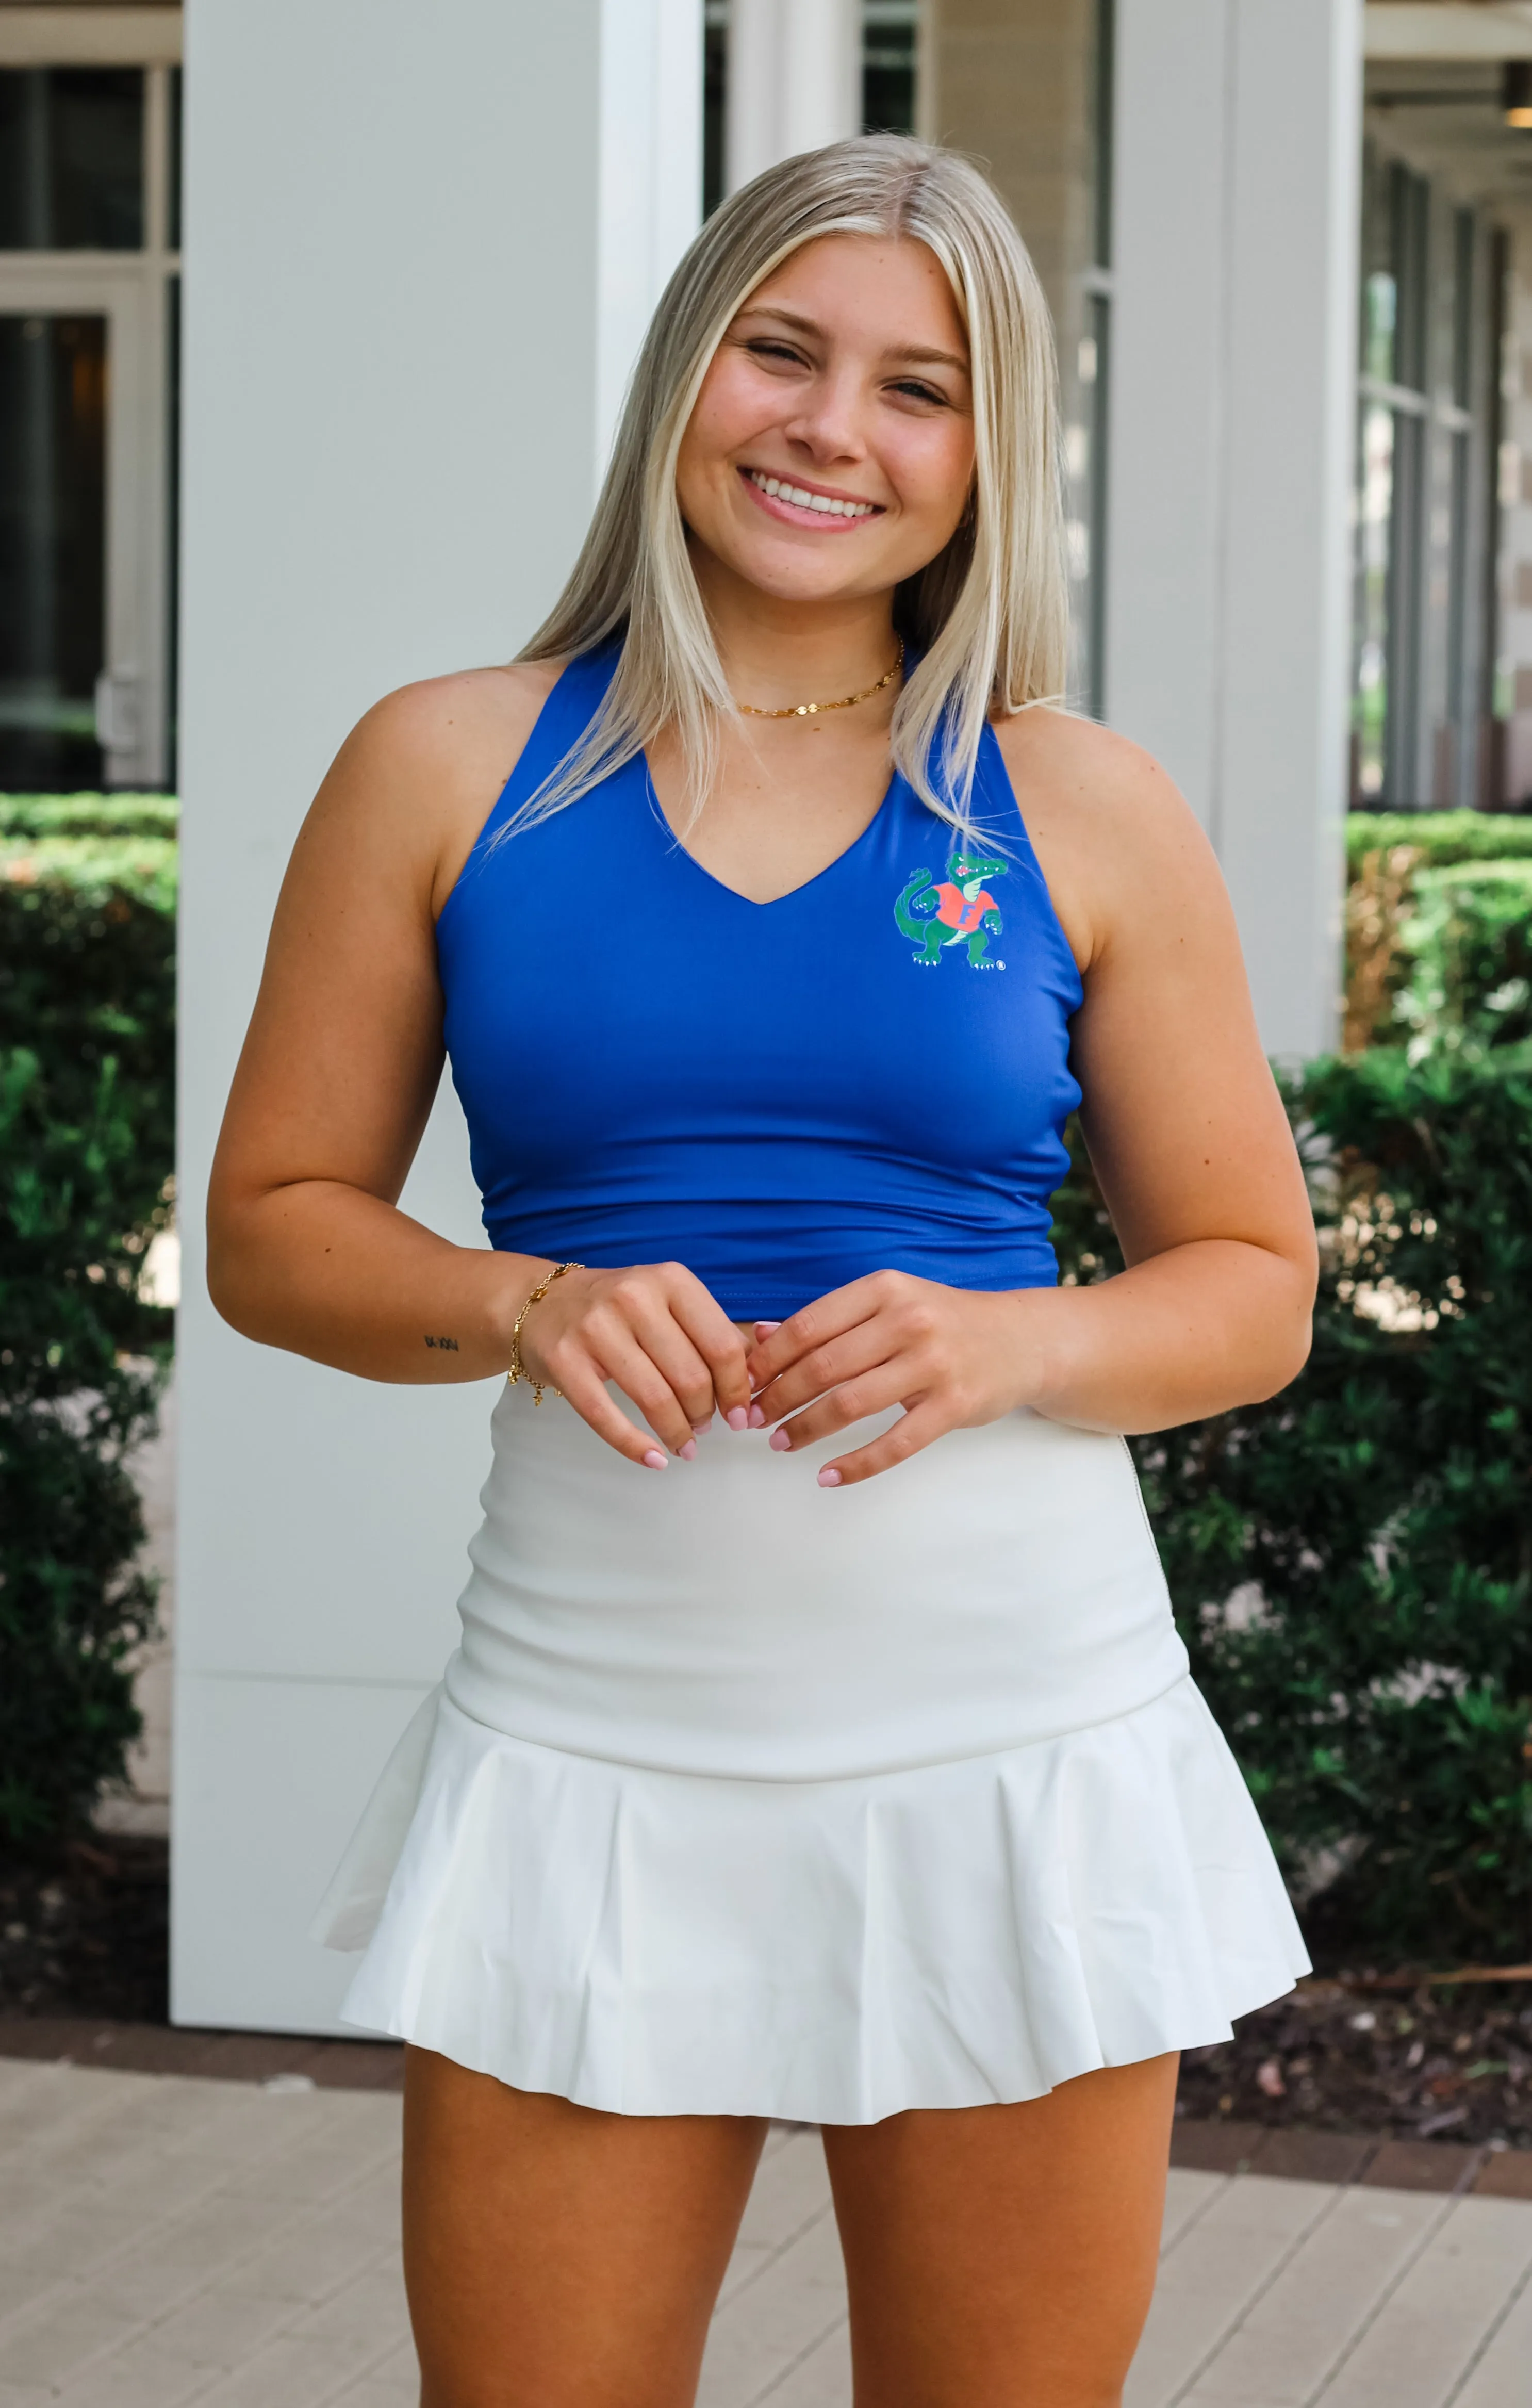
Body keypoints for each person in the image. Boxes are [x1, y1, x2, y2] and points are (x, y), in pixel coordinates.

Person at [208, 136, 1314, 2408]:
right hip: (589, 1754)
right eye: (781, 349)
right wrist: (520, 1301)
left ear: (987, 451)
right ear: (682, 370)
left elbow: (1252, 1280)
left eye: (919, 387)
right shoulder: (444, 766)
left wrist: (1016, 1341)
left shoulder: (1073, 804)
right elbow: (270, 1228)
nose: (833, 428)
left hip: (1016, 1758)